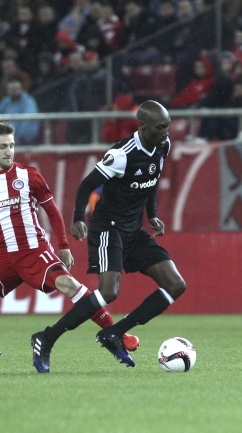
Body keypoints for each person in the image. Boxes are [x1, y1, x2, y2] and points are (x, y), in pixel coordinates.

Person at [0, 122, 139, 374]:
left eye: (11, 145)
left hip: (34, 252)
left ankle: (116, 334)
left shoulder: (29, 175)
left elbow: (52, 211)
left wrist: (63, 246)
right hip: (0, 258)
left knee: (69, 285)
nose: (9, 151)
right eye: (2, 147)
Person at [69, 100, 187, 367]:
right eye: (161, 127)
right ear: (143, 125)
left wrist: (152, 214)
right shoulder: (122, 153)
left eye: (168, 126)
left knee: (176, 284)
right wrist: (77, 218)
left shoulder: (163, 145)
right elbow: (86, 185)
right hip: (109, 226)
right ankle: (51, 336)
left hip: (133, 228)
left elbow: (153, 178)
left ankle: (116, 331)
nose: (166, 132)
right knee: (109, 291)